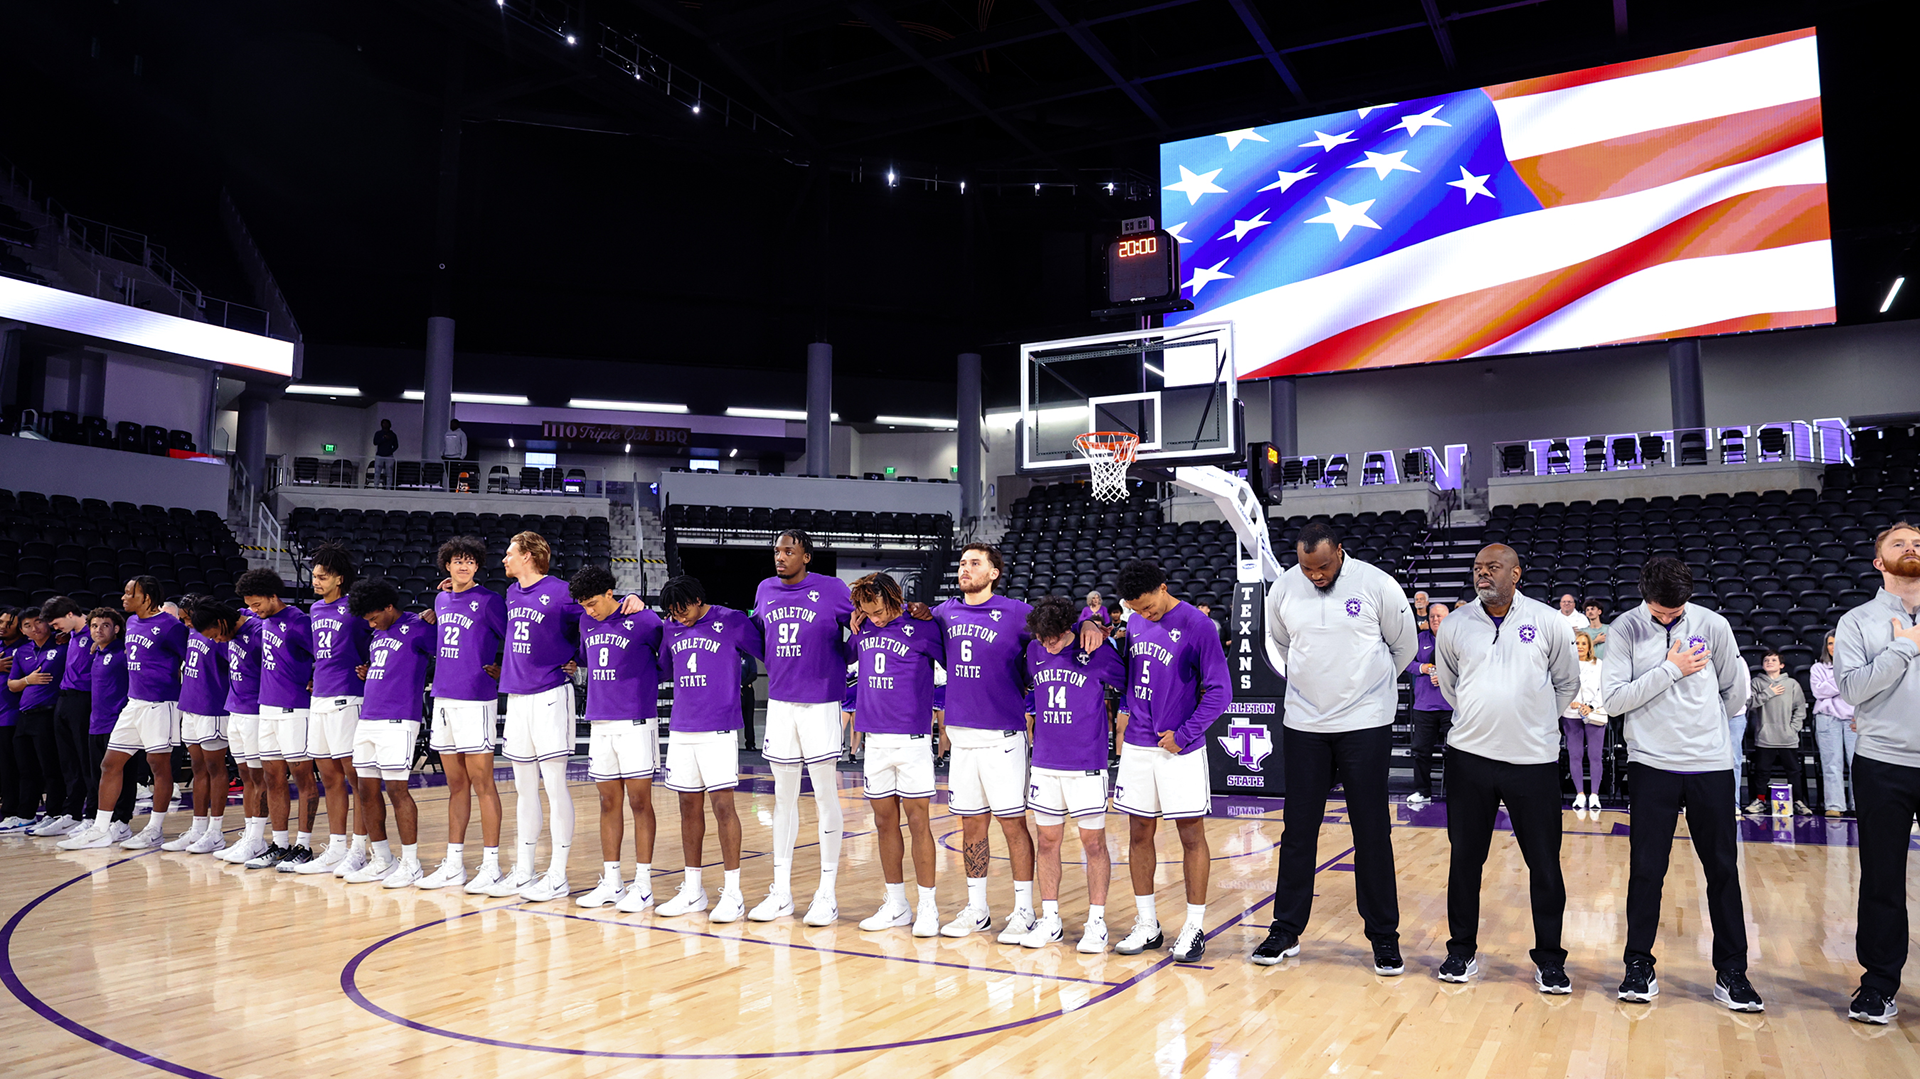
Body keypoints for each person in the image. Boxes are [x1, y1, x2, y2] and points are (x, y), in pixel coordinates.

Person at [1254, 521, 1417, 973]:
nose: (1316, 576)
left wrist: (1368, 690)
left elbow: (1402, 648)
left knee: (1371, 831)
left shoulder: (1377, 584)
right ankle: (1285, 929)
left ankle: (1384, 937)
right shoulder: (1285, 588)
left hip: (1365, 724)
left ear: (1340, 552)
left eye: (1323, 567)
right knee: (1298, 831)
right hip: (1305, 723)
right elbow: (1284, 645)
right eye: (1308, 568)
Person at [1602, 555, 1759, 1011]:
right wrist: (1671, 669)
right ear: (1643, 596)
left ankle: (1732, 972)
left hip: (1710, 764)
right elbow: (1613, 701)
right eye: (1660, 613)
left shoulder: (1713, 624)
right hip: (1652, 764)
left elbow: (1734, 693)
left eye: (1675, 613)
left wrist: (1701, 727)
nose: (1668, 618)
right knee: (1647, 872)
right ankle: (1638, 964)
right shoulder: (1625, 629)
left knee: (1723, 872)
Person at [1430, 544, 1580, 992]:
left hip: (1532, 761)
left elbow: (1567, 682)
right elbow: (1451, 684)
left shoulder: (1548, 620)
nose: (1483, 575)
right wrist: (1484, 717)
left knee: (1544, 864)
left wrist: (1530, 721)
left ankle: (1550, 959)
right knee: (1465, 861)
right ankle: (1460, 951)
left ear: (1516, 573)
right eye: (1478, 568)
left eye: (1492, 568)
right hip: (1469, 758)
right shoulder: (1456, 624)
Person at [1112, 559, 1229, 964]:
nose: (1144, 614)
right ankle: (1148, 924)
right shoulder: (1135, 622)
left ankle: (1194, 927)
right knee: (1138, 833)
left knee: (1191, 835)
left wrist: (1185, 733)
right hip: (1140, 746)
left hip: (1178, 746)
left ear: (1163, 587)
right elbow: (1134, 677)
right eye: (1135, 609)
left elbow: (1220, 692)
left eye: (1147, 606)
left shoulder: (1198, 625)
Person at [1832, 520, 1920, 1025]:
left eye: (1916, 543)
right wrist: (1906, 646)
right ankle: (1879, 984)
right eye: (1898, 544)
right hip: (1883, 760)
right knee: (1882, 879)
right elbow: (1853, 689)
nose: (1910, 548)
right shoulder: (1858, 621)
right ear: (1879, 562)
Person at [927, 543, 1038, 942]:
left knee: (1012, 825)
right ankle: (978, 910)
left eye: (975, 563)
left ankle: (1024, 910)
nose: (965, 569)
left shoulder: (1016, 611)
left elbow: (1063, 624)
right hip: (962, 737)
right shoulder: (943, 612)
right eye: (961, 563)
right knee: (971, 826)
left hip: (1002, 736)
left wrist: (1092, 624)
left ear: (994, 572)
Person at [747, 529, 853, 925]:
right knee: (782, 800)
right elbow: (759, 636)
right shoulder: (764, 589)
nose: (780, 556)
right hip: (780, 703)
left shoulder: (832, 589)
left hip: (821, 702)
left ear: (806, 556)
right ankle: (782, 892)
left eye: (789, 550)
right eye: (776, 550)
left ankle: (827, 894)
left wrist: (843, 659)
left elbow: (858, 627)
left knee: (825, 796)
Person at [490, 531, 595, 901]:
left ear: (529, 556)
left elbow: (593, 621)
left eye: (509, 553)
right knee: (522, 789)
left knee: (553, 785)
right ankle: (524, 869)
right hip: (516, 697)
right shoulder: (512, 593)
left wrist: (578, 659)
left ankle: (557, 874)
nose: (504, 559)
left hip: (550, 695)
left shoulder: (563, 591)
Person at [656, 575, 765, 922]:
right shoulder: (670, 628)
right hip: (682, 728)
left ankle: (733, 894)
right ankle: (693, 890)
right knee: (688, 808)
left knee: (723, 807)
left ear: (699, 599)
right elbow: (659, 668)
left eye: (683, 609)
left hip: (718, 727)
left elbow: (767, 650)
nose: (679, 616)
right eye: (672, 612)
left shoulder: (730, 619)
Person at [846, 573, 946, 936]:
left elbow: (955, 666)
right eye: (866, 611)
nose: (875, 617)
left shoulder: (921, 627)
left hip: (913, 740)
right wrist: (857, 628)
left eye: (879, 610)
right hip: (875, 742)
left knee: (919, 823)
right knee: (884, 823)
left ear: (894, 598)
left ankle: (928, 907)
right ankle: (897, 904)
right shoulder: (864, 630)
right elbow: (846, 652)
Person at [1022, 595, 1123, 951]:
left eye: (1054, 638)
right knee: (1047, 842)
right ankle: (1050, 920)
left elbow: (1129, 685)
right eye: (1042, 639)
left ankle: (1097, 922)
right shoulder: (1034, 651)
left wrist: (1091, 626)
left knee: (1093, 843)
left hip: (1086, 763)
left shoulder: (1095, 650)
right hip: (1045, 763)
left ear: (1068, 629)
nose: (1048, 645)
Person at [567, 565, 665, 912]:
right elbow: (583, 656)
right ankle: (612, 882)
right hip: (600, 722)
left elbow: (667, 658)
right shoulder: (584, 621)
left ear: (611, 594)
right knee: (608, 803)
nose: (588, 610)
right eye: (583, 605)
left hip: (636, 721)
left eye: (593, 603)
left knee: (640, 803)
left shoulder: (646, 620)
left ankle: (643, 885)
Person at [66, 578, 188, 850]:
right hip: (133, 704)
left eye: (130, 593)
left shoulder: (170, 626)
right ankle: (101, 828)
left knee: (159, 767)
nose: (123, 597)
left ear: (146, 597)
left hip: (160, 705)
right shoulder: (131, 622)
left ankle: (154, 829)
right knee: (109, 764)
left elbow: (189, 660)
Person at [420, 536, 507, 892]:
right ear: (446, 564)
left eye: (470, 561)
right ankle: (454, 863)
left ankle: (491, 865)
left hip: (476, 699)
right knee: (456, 785)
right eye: (457, 560)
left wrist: (504, 668)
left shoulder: (489, 600)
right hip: (443, 699)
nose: (463, 565)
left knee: (483, 783)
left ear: (477, 565)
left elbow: (514, 637)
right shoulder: (441, 599)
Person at [345, 579, 435, 887]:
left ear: (389, 607)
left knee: (397, 791)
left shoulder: (419, 626)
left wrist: (437, 612)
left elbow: (451, 651)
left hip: (399, 720)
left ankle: (411, 864)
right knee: (366, 791)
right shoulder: (378, 634)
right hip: (368, 717)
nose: (371, 624)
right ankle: (382, 859)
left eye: (373, 618)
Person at [292, 544, 375, 875]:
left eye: (322, 576)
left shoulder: (355, 610)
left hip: (348, 697)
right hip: (320, 697)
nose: (316, 581)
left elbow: (373, 643)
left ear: (340, 579)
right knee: (329, 777)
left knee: (355, 778)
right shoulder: (314, 610)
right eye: (314, 576)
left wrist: (368, 667)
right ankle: (337, 847)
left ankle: (359, 849)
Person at [236, 568, 321, 869]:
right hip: (267, 708)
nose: (254, 610)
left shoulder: (298, 621)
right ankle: (280, 844)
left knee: (302, 778)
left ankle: (305, 846)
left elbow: (323, 655)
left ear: (273, 596)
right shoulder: (265, 620)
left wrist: (313, 677)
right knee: (272, 778)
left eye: (257, 603)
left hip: (294, 709)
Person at [194, 601, 271, 864]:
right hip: (235, 710)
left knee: (259, 778)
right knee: (246, 776)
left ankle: (258, 838)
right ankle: (252, 836)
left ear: (221, 621)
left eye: (215, 635)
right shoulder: (233, 632)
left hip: (256, 712)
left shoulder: (259, 631)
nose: (216, 641)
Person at [56, 609, 138, 849]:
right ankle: (100, 821)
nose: (98, 630)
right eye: (93, 626)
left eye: (104, 625)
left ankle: (122, 821)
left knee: (124, 773)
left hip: (119, 723)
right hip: (95, 723)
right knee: (98, 775)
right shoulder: (96, 653)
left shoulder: (124, 653)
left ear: (117, 629)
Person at [164, 595, 232, 854]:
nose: (184, 622)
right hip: (190, 706)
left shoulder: (219, 637)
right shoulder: (191, 633)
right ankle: (198, 828)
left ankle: (216, 832)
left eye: (186, 617)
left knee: (215, 768)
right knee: (197, 768)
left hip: (212, 708)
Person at [27, 598, 94, 838]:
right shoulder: (72, 635)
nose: (55, 629)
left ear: (69, 614)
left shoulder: (93, 631)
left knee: (85, 760)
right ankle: (71, 813)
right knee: (68, 760)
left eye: (56, 623)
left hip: (84, 698)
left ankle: (92, 814)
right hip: (64, 698)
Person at [1, 609, 54, 830]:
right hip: (14, 714)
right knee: (13, 768)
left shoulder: (22, 650)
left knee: (20, 768)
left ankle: (17, 810)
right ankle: (16, 811)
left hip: (13, 715)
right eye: (0, 621)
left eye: (8, 623)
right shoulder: (14, 649)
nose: (2, 626)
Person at [1745, 651, 1811, 816]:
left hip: (1787, 737)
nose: (1769, 662)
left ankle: (1797, 801)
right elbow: (1750, 703)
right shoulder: (1757, 683)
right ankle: (1759, 800)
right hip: (1765, 737)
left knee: (1793, 771)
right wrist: (1769, 693)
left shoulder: (1792, 684)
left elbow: (1800, 708)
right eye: (1766, 660)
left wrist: (1793, 729)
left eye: (1774, 660)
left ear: (1781, 665)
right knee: (1762, 771)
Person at [1405, 601, 1452, 806]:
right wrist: (1423, 668)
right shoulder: (1419, 639)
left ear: (1448, 618)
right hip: (1424, 706)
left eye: (1439, 616)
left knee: (1455, 751)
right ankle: (1422, 791)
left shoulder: (1455, 639)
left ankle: (1456, 791)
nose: (1435, 619)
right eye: (1432, 616)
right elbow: (1407, 662)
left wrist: (1445, 675)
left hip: (1451, 706)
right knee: (1420, 750)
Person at [1809, 634, 1857, 818]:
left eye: (1837, 643)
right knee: (1831, 763)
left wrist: (1833, 685)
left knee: (1857, 764)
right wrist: (1843, 681)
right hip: (1827, 719)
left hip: (1853, 719)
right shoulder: (1817, 668)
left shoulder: (1856, 666)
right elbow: (1818, 691)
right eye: (1830, 643)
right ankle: (1835, 805)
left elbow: (1858, 689)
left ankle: (1858, 803)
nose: (1833, 647)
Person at [1562, 633, 1609, 810]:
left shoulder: (1600, 664)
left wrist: (1590, 705)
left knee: (1595, 756)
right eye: (1577, 643)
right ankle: (1580, 794)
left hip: (1594, 712)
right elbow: (1562, 686)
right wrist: (1569, 701)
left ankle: (1595, 795)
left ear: (1590, 646)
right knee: (1575, 755)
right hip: (1571, 713)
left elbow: (1603, 688)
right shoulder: (1566, 665)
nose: (1580, 646)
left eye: (1583, 643)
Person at [441, 418, 469, 490]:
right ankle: (450, 489)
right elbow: (443, 444)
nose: (451, 425)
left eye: (453, 424)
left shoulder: (461, 434)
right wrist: (442, 453)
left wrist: (462, 457)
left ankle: (453, 490)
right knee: (449, 475)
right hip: (447, 457)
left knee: (454, 476)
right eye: (451, 424)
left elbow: (464, 445)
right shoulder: (447, 433)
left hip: (456, 457)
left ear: (457, 425)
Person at [372, 418, 399, 489]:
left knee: (389, 472)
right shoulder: (378, 433)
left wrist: (390, 451)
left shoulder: (393, 435)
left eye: (386, 423)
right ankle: (375, 487)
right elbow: (375, 442)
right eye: (383, 423)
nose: (385, 425)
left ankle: (388, 488)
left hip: (389, 455)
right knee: (377, 472)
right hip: (379, 455)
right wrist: (383, 438)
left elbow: (396, 445)